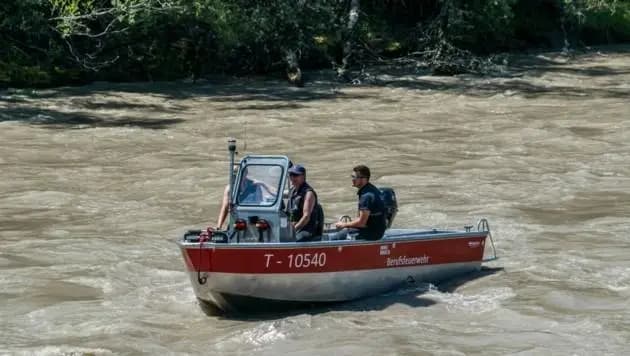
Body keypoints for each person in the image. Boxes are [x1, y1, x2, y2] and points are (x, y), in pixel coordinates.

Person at [333, 165, 387, 240]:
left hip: (371, 234)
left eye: (354, 177)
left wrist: (344, 225)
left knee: (335, 237)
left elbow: (362, 223)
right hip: (377, 231)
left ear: (363, 179)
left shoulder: (366, 196)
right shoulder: (371, 189)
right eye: (352, 176)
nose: (352, 179)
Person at [285, 164, 322, 242]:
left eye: (295, 175)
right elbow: (276, 193)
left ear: (303, 176)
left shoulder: (308, 193)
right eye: (291, 175)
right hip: (296, 228)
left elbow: (306, 217)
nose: (292, 177)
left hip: (307, 230)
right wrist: (262, 185)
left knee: (290, 241)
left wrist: (294, 230)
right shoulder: (293, 190)